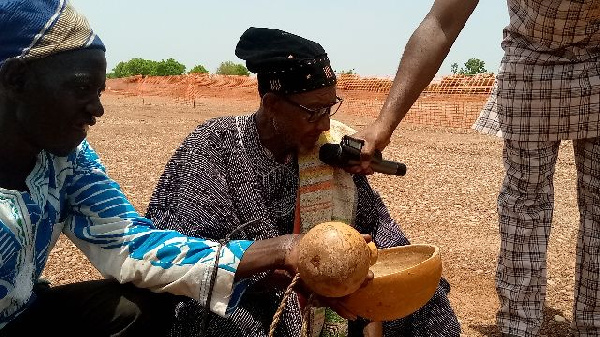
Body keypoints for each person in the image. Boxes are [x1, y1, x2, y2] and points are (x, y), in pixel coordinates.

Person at [0, 2, 331, 336]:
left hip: (22, 312)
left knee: (143, 304)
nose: (98, 109)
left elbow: (131, 244)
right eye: (83, 88)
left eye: (99, 91)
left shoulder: (65, 160)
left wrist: (280, 250)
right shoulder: (214, 145)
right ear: (17, 79)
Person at [146, 27, 461, 337]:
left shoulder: (329, 148)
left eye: (329, 107)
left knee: (428, 304)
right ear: (271, 105)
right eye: (312, 112)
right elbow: (175, 258)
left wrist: (372, 267)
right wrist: (277, 271)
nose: (324, 122)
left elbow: (379, 230)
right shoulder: (213, 148)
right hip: (249, 298)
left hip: (335, 301)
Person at [351, 1, 600, 336]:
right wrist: (385, 123)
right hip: (531, 61)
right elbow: (441, 22)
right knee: (524, 208)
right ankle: (519, 326)